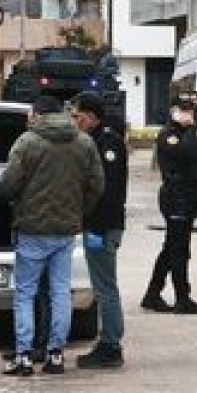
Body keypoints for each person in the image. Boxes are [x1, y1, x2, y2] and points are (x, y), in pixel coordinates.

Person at [0, 95, 104, 376]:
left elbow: (9, 185)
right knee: (61, 291)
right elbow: (97, 185)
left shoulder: (27, 142)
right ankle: (55, 354)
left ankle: (23, 355)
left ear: (37, 114)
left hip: (32, 229)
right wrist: (78, 212)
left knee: (25, 293)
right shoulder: (84, 142)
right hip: (65, 230)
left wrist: (16, 202)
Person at [72, 91, 129, 369]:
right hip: (100, 225)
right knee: (103, 285)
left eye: (78, 116)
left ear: (92, 116)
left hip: (102, 227)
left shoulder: (107, 143)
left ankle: (111, 345)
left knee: (105, 287)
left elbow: (108, 191)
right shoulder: (95, 140)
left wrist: (95, 227)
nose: (76, 121)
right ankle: (108, 341)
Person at [144, 95, 197, 317]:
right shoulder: (170, 135)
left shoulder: (182, 133)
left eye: (190, 110)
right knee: (178, 250)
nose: (188, 114)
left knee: (173, 247)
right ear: (173, 110)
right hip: (176, 197)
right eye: (183, 110)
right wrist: (191, 129)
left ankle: (153, 294)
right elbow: (186, 152)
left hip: (186, 196)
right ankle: (182, 297)